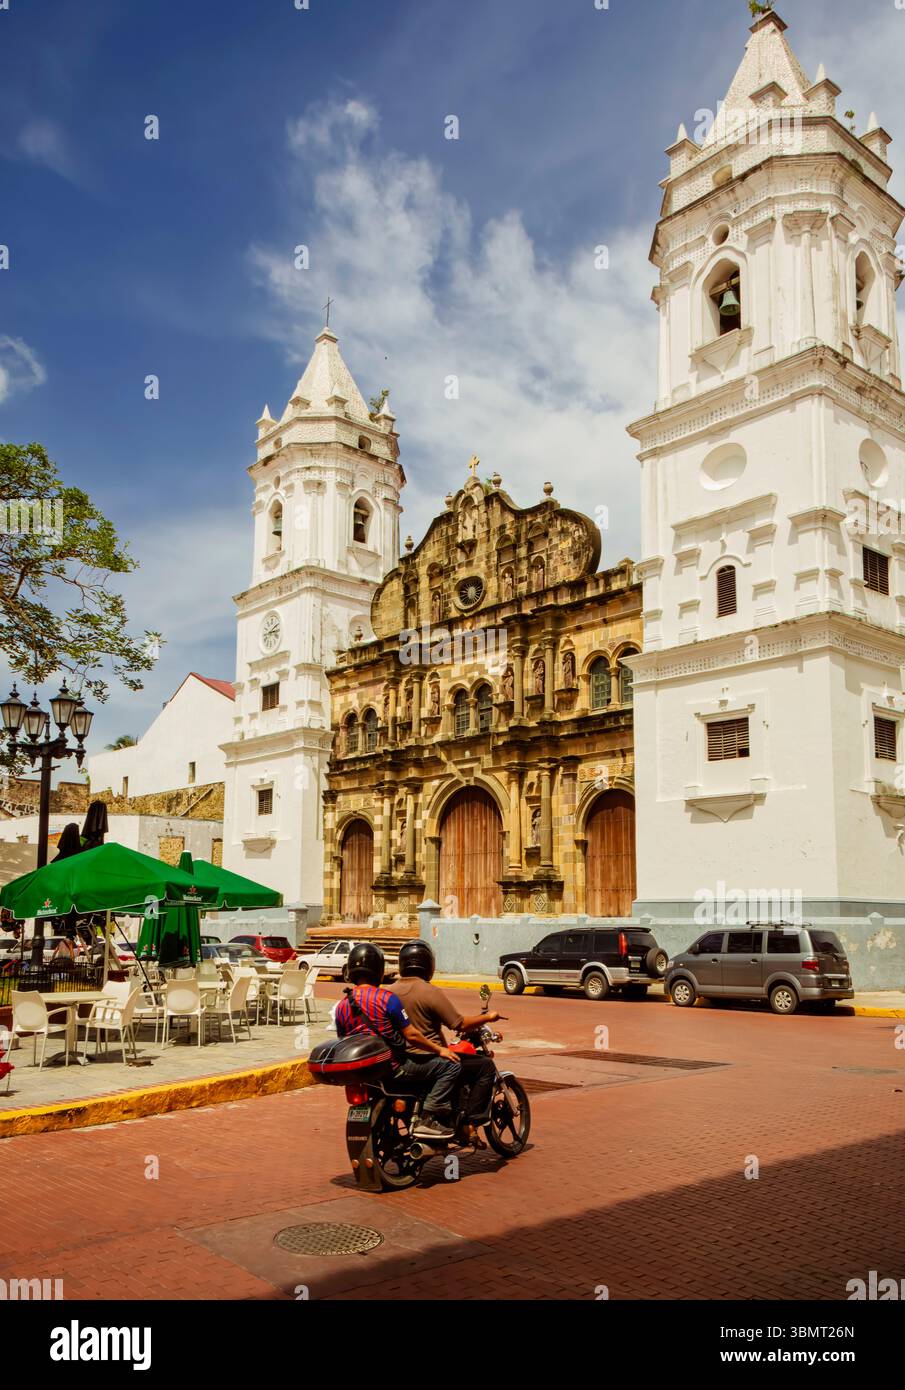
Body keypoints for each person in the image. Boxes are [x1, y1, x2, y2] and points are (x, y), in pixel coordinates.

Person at [334, 942, 461, 1141]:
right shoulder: (387, 998)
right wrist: (439, 1050)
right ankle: (428, 1118)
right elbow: (411, 1035)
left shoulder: (341, 1006)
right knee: (450, 1067)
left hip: (367, 1074)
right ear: (379, 970)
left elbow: (343, 1040)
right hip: (394, 1068)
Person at [390, 940, 501, 1148]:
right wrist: (488, 1017)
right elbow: (459, 1023)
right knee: (485, 1066)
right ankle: (469, 1125)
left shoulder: (388, 991)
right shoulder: (429, 991)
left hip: (400, 1062)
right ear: (428, 965)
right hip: (429, 1059)